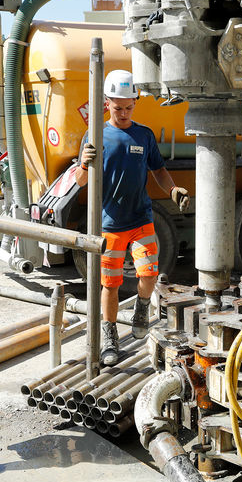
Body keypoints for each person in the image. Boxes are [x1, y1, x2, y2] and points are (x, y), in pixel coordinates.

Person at [75, 70, 190, 367]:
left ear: (135, 103)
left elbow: (159, 171)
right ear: (107, 103)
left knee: (150, 274)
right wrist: (85, 164)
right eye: (118, 107)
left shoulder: (144, 135)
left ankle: (141, 308)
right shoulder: (96, 136)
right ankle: (110, 337)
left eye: (129, 107)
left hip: (141, 219)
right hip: (110, 225)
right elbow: (79, 181)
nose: (124, 113)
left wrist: (173, 189)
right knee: (110, 285)